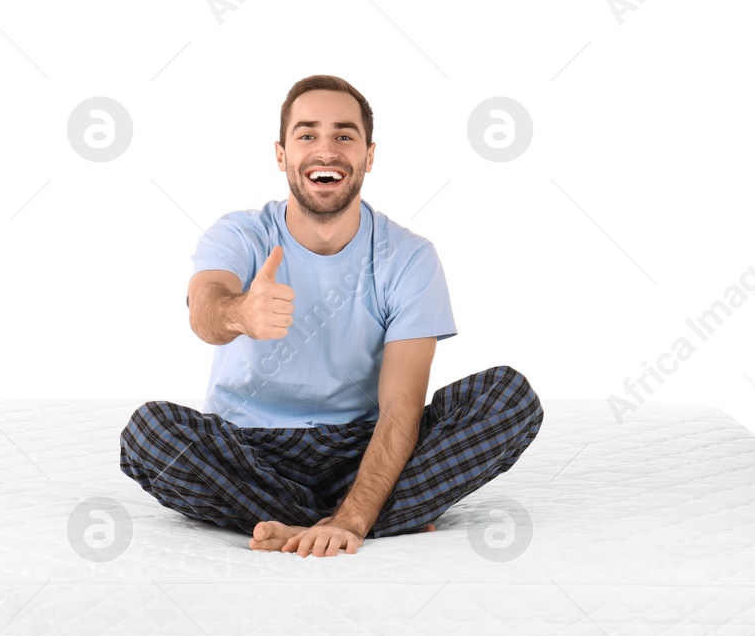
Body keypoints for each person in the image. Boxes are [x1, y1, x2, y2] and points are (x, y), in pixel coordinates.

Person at [119, 75, 544, 557]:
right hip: (249, 450)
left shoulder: (409, 257)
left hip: (365, 449)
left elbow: (401, 407)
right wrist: (241, 313)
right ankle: (379, 516)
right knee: (149, 433)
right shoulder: (239, 233)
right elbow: (205, 310)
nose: (326, 151)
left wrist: (354, 513)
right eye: (307, 135)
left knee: (510, 397)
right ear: (281, 155)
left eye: (344, 136)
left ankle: (331, 519)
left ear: (368, 155)